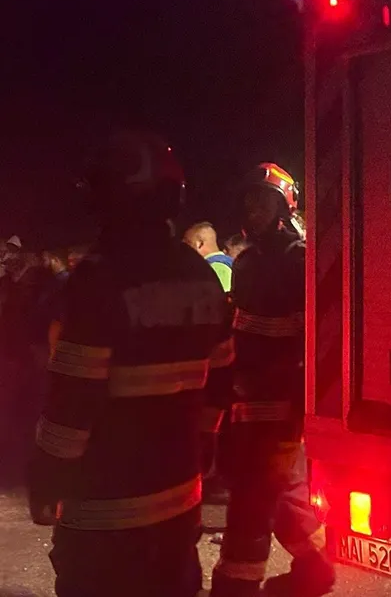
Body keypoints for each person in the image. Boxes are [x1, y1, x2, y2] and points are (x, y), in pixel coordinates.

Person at [27, 131, 234, 597]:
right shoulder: (200, 275)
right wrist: (202, 446)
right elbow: (221, 381)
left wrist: (45, 475)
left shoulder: (99, 279)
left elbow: (73, 402)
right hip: (179, 505)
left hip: (104, 517)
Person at [212, 163, 333, 597]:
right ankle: (316, 566)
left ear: (283, 207)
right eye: (249, 201)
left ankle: (234, 586)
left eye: (263, 201)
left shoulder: (298, 260)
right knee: (280, 494)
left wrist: (299, 405)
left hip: (281, 402)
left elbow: (311, 337)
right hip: (249, 398)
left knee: (251, 498)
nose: (253, 209)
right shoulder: (247, 262)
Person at [184, 222, 234, 293]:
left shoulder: (217, 267)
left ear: (199, 244)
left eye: (188, 244)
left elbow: (223, 297)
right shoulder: (224, 263)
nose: (185, 249)